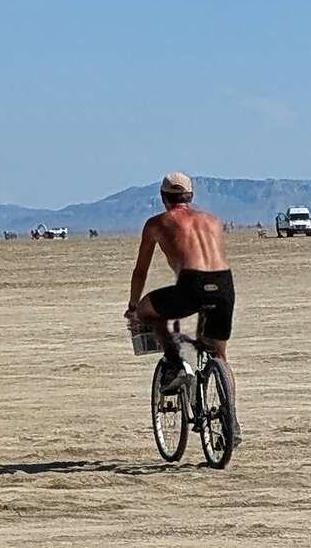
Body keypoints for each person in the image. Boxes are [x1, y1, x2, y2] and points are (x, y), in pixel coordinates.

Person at [125, 173, 239, 436]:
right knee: (220, 356)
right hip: (223, 284)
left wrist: (133, 306)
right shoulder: (213, 221)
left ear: (163, 198)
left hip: (192, 283)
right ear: (191, 196)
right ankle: (231, 422)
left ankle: (175, 362)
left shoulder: (157, 223)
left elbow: (140, 271)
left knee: (146, 311)